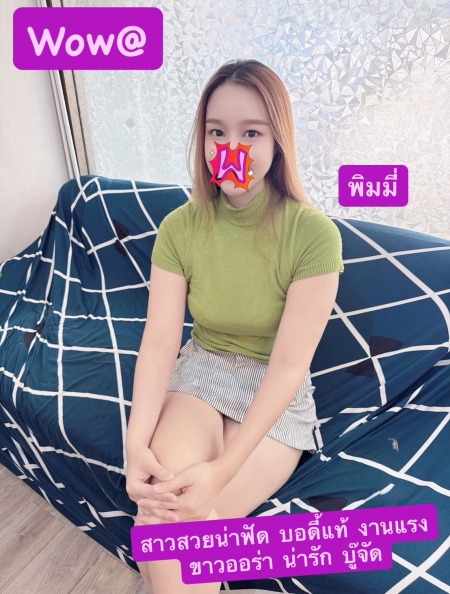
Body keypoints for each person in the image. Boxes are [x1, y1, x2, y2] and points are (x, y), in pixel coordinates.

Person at [125, 58, 344, 594]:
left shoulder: (313, 235)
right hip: (202, 369)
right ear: (202, 139)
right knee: (162, 510)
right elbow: (160, 341)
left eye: (252, 133)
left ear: (277, 141)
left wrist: (222, 471)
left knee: (193, 526)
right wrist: (136, 442)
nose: (232, 147)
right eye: (217, 132)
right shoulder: (179, 227)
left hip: (274, 389)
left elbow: (289, 365)